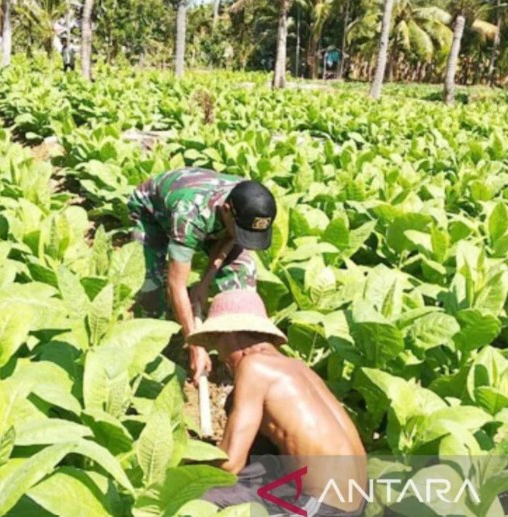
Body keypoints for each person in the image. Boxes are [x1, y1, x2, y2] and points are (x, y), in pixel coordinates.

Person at [187, 289, 367, 515]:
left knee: (196, 497)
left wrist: (185, 472)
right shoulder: (299, 368)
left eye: (216, 342)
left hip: (323, 506)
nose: (220, 356)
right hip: (356, 501)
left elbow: (231, 464)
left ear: (231, 334)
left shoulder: (253, 367)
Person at [127, 168, 277, 384]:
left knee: (244, 270)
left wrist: (205, 281)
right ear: (226, 210)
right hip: (151, 212)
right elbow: (175, 284)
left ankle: (239, 353)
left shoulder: (248, 203)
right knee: (151, 284)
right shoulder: (190, 214)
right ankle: (155, 348)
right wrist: (195, 345)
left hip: (215, 220)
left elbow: (231, 237)